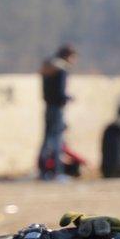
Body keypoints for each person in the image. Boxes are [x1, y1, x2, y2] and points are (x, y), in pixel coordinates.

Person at [37, 44, 77, 181]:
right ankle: (56, 172)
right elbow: (60, 92)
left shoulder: (48, 68)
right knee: (56, 141)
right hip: (57, 108)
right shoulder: (61, 70)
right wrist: (68, 98)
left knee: (47, 139)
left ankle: (43, 171)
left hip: (48, 106)